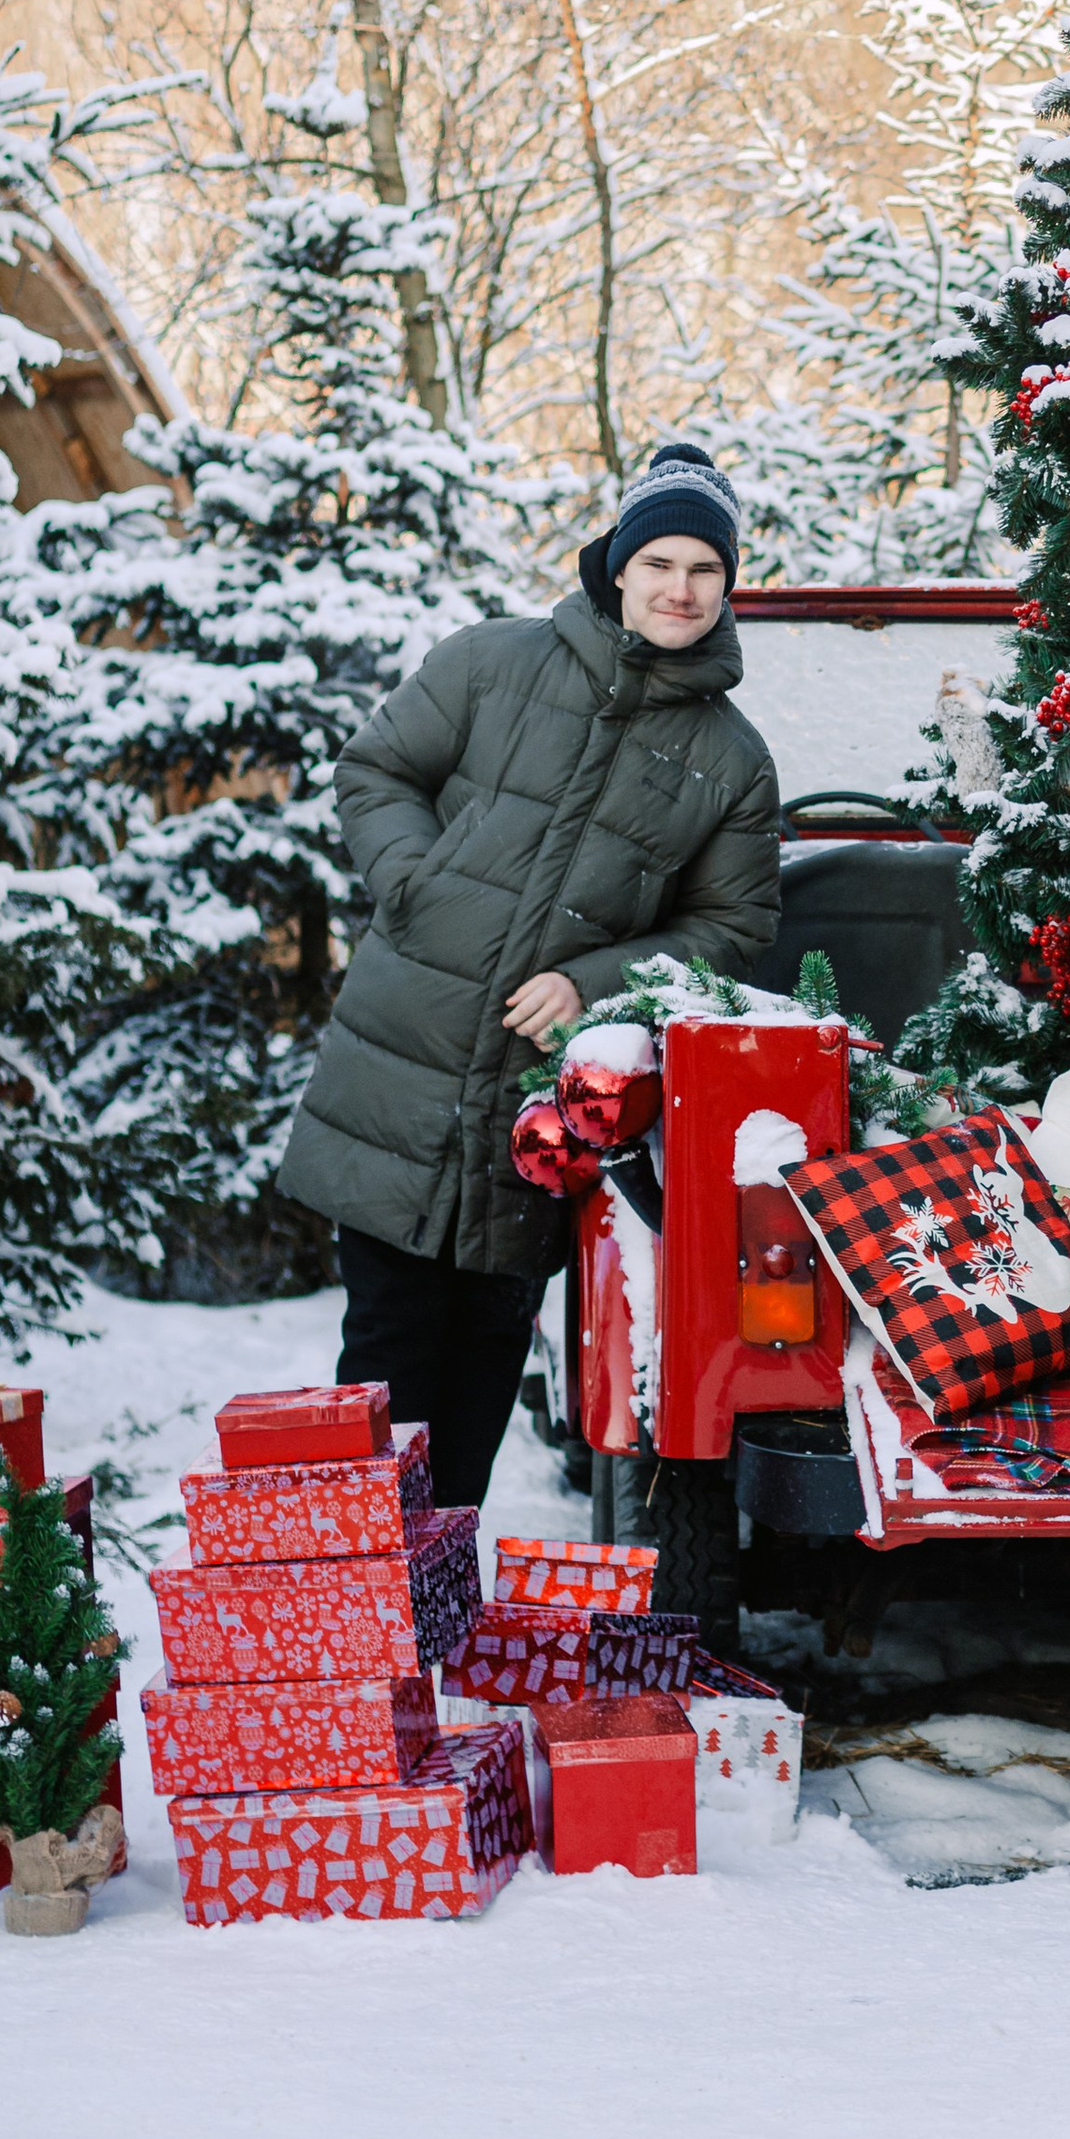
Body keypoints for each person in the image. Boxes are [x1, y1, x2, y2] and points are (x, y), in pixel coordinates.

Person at [281, 440, 781, 1512]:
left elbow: (734, 925)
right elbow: (377, 768)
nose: (681, 588)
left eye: (705, 568)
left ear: (728, 583)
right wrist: (413, 880)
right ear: (618, 565)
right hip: (404, 1073)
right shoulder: (490, 662)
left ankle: (440, 1594)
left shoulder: (733, 760)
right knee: (385, 1364)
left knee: (481, 1371)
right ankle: (368, 1599)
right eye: (660, 563)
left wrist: (594, 982)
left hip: (536, 1112)